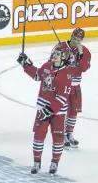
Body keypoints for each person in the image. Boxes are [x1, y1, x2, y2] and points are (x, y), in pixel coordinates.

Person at [17, 45, 72, 175]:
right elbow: (37, 75)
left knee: (58, 137)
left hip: (58, 112)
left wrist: (51, 109)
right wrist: (26, 64)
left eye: (58, 54)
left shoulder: (67, 74)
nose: (54, 55)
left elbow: (62, 97)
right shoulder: (47, 66)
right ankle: (37, 162)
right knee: (38, 136)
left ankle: (54, 163)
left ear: (64, 57)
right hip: (43, 107)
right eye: (54, 53)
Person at [51, 28, 91, 149]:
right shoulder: (61, 46)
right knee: (61, 111)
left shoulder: (85, 51)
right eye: (74, 39)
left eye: (78, 40)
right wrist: (62, 59)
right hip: (62, 86)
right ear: (71, 36)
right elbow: (51, 63)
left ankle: (69, 133)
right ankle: (61, 135)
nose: (75, 41)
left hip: (75, 86)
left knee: (73, 112)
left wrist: (80, 54)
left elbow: (84, 68)